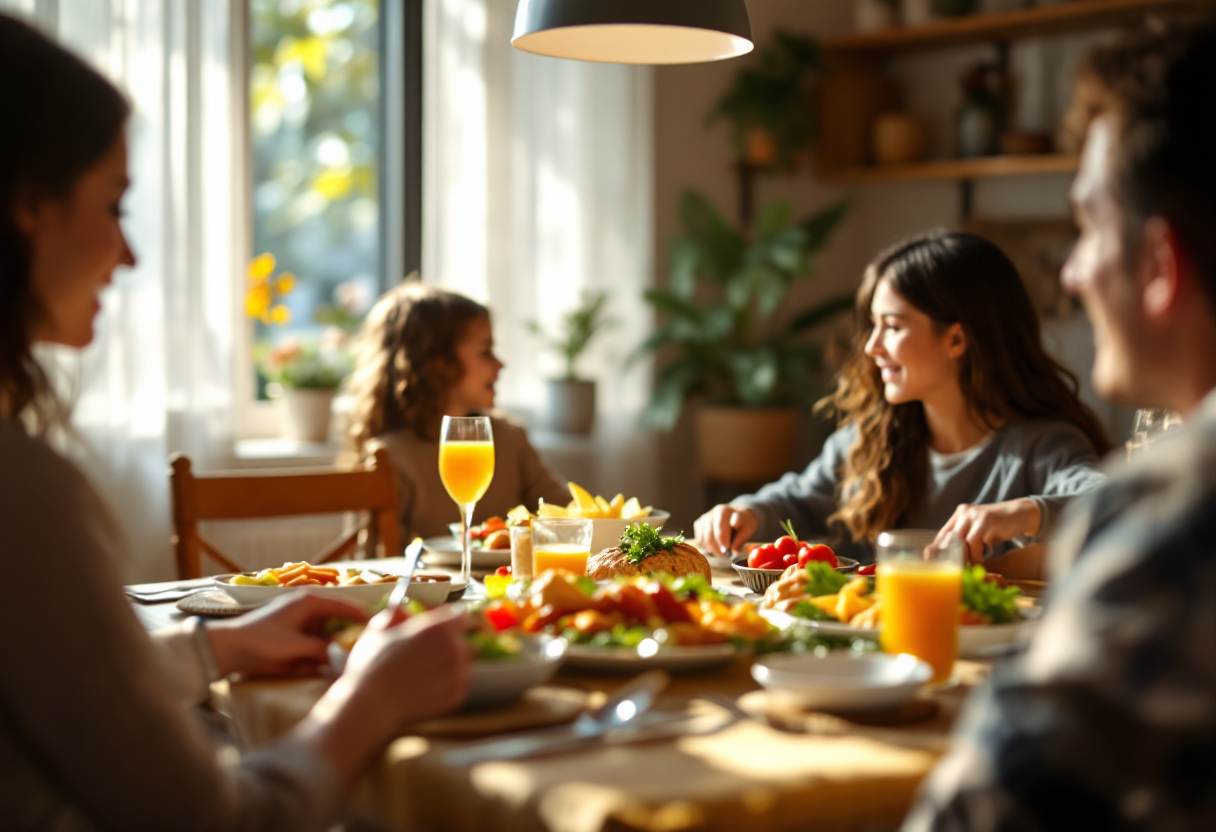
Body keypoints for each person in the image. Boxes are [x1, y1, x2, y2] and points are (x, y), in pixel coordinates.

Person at [0, 14, 469, 831]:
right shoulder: (24, 494)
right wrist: (371, 699)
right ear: (24, 207)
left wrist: (218, 647)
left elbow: (50, 689)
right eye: (114, 204)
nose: (130, 254)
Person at [903, 22, 1216, 830]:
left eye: (1085, 227)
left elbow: (983, 812)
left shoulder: (1176, 501)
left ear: (1159, 264)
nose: (1072, 274)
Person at [695, 231, 1111, 571]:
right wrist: (743, 512)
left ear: (956, 339)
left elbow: (1107, 498)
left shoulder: (1041, 445)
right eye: (873, 326)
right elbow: (797, 499)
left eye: (892, 327)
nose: (873, 346)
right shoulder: (868, 440)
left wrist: (1023, 513)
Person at [343, 281, 570, 542]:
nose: (500, 364)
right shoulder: (388, 457)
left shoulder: (509, 438)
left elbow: (566, 513)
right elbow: (377, 563)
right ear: (439, 364)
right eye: (486, 352)